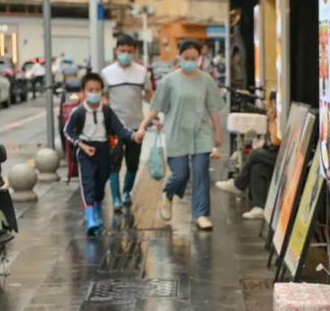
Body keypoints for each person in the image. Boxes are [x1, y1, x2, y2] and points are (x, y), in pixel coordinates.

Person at [135, 40, 225, 231]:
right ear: (179, 56)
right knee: (181, 174)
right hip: (177, 133)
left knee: (201, 173)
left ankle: (201, 214)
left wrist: (218, 133)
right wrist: (143, 126)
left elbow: (214, 108)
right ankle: (168, 195)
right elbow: (156, 107)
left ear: (200, 58)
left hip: (201, 132)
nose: (190, 61)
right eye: (187, 58)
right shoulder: (169, 80)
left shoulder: (206, 80)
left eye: (194, 58)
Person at [64, 73, 142, 235]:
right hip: (86, 151)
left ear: (102, 91)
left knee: (100, 184)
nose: (94, 93)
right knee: (88, 184)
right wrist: (82, 145)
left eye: (97, 90)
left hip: (104, 150)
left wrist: (134, 136)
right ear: (83, 92)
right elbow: (68, 131)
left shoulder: (106, 111)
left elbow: (120, 129)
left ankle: (97, 211)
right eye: (90, 90)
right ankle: (91, 218)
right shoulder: (78, 112)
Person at [101, 35, 153, 212]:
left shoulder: (142, 72)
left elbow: (149, 96)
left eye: (130, 51)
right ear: (116, 51)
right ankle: (115, 198)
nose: (126, 54)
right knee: (114, 162)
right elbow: (104, 98)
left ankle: (126, 192)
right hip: (115, 128)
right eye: (122, 51)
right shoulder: (107, 73)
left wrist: (155, 117)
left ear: (135, 52)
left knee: (133, 162)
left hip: (136, 126)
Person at [215, 93, 281, 219]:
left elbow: (276, 141)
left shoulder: (279, 119)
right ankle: (260, 207)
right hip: (274, 153)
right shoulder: (275, 117)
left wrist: (273, 121)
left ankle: (238, 184)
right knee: (258, 167)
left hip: (281, 156)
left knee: (254, 154)